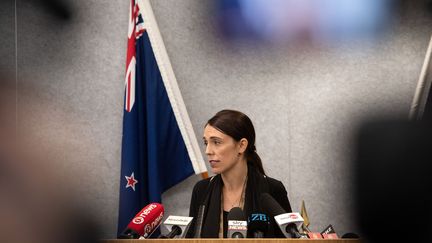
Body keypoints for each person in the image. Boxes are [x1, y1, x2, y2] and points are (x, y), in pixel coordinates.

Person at [187, 109, 292, 238]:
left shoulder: (272, 189)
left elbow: (289, 238)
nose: (208, 151)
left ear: (242, 145)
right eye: (206, 142)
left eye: (216, 142)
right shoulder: (201, 190)